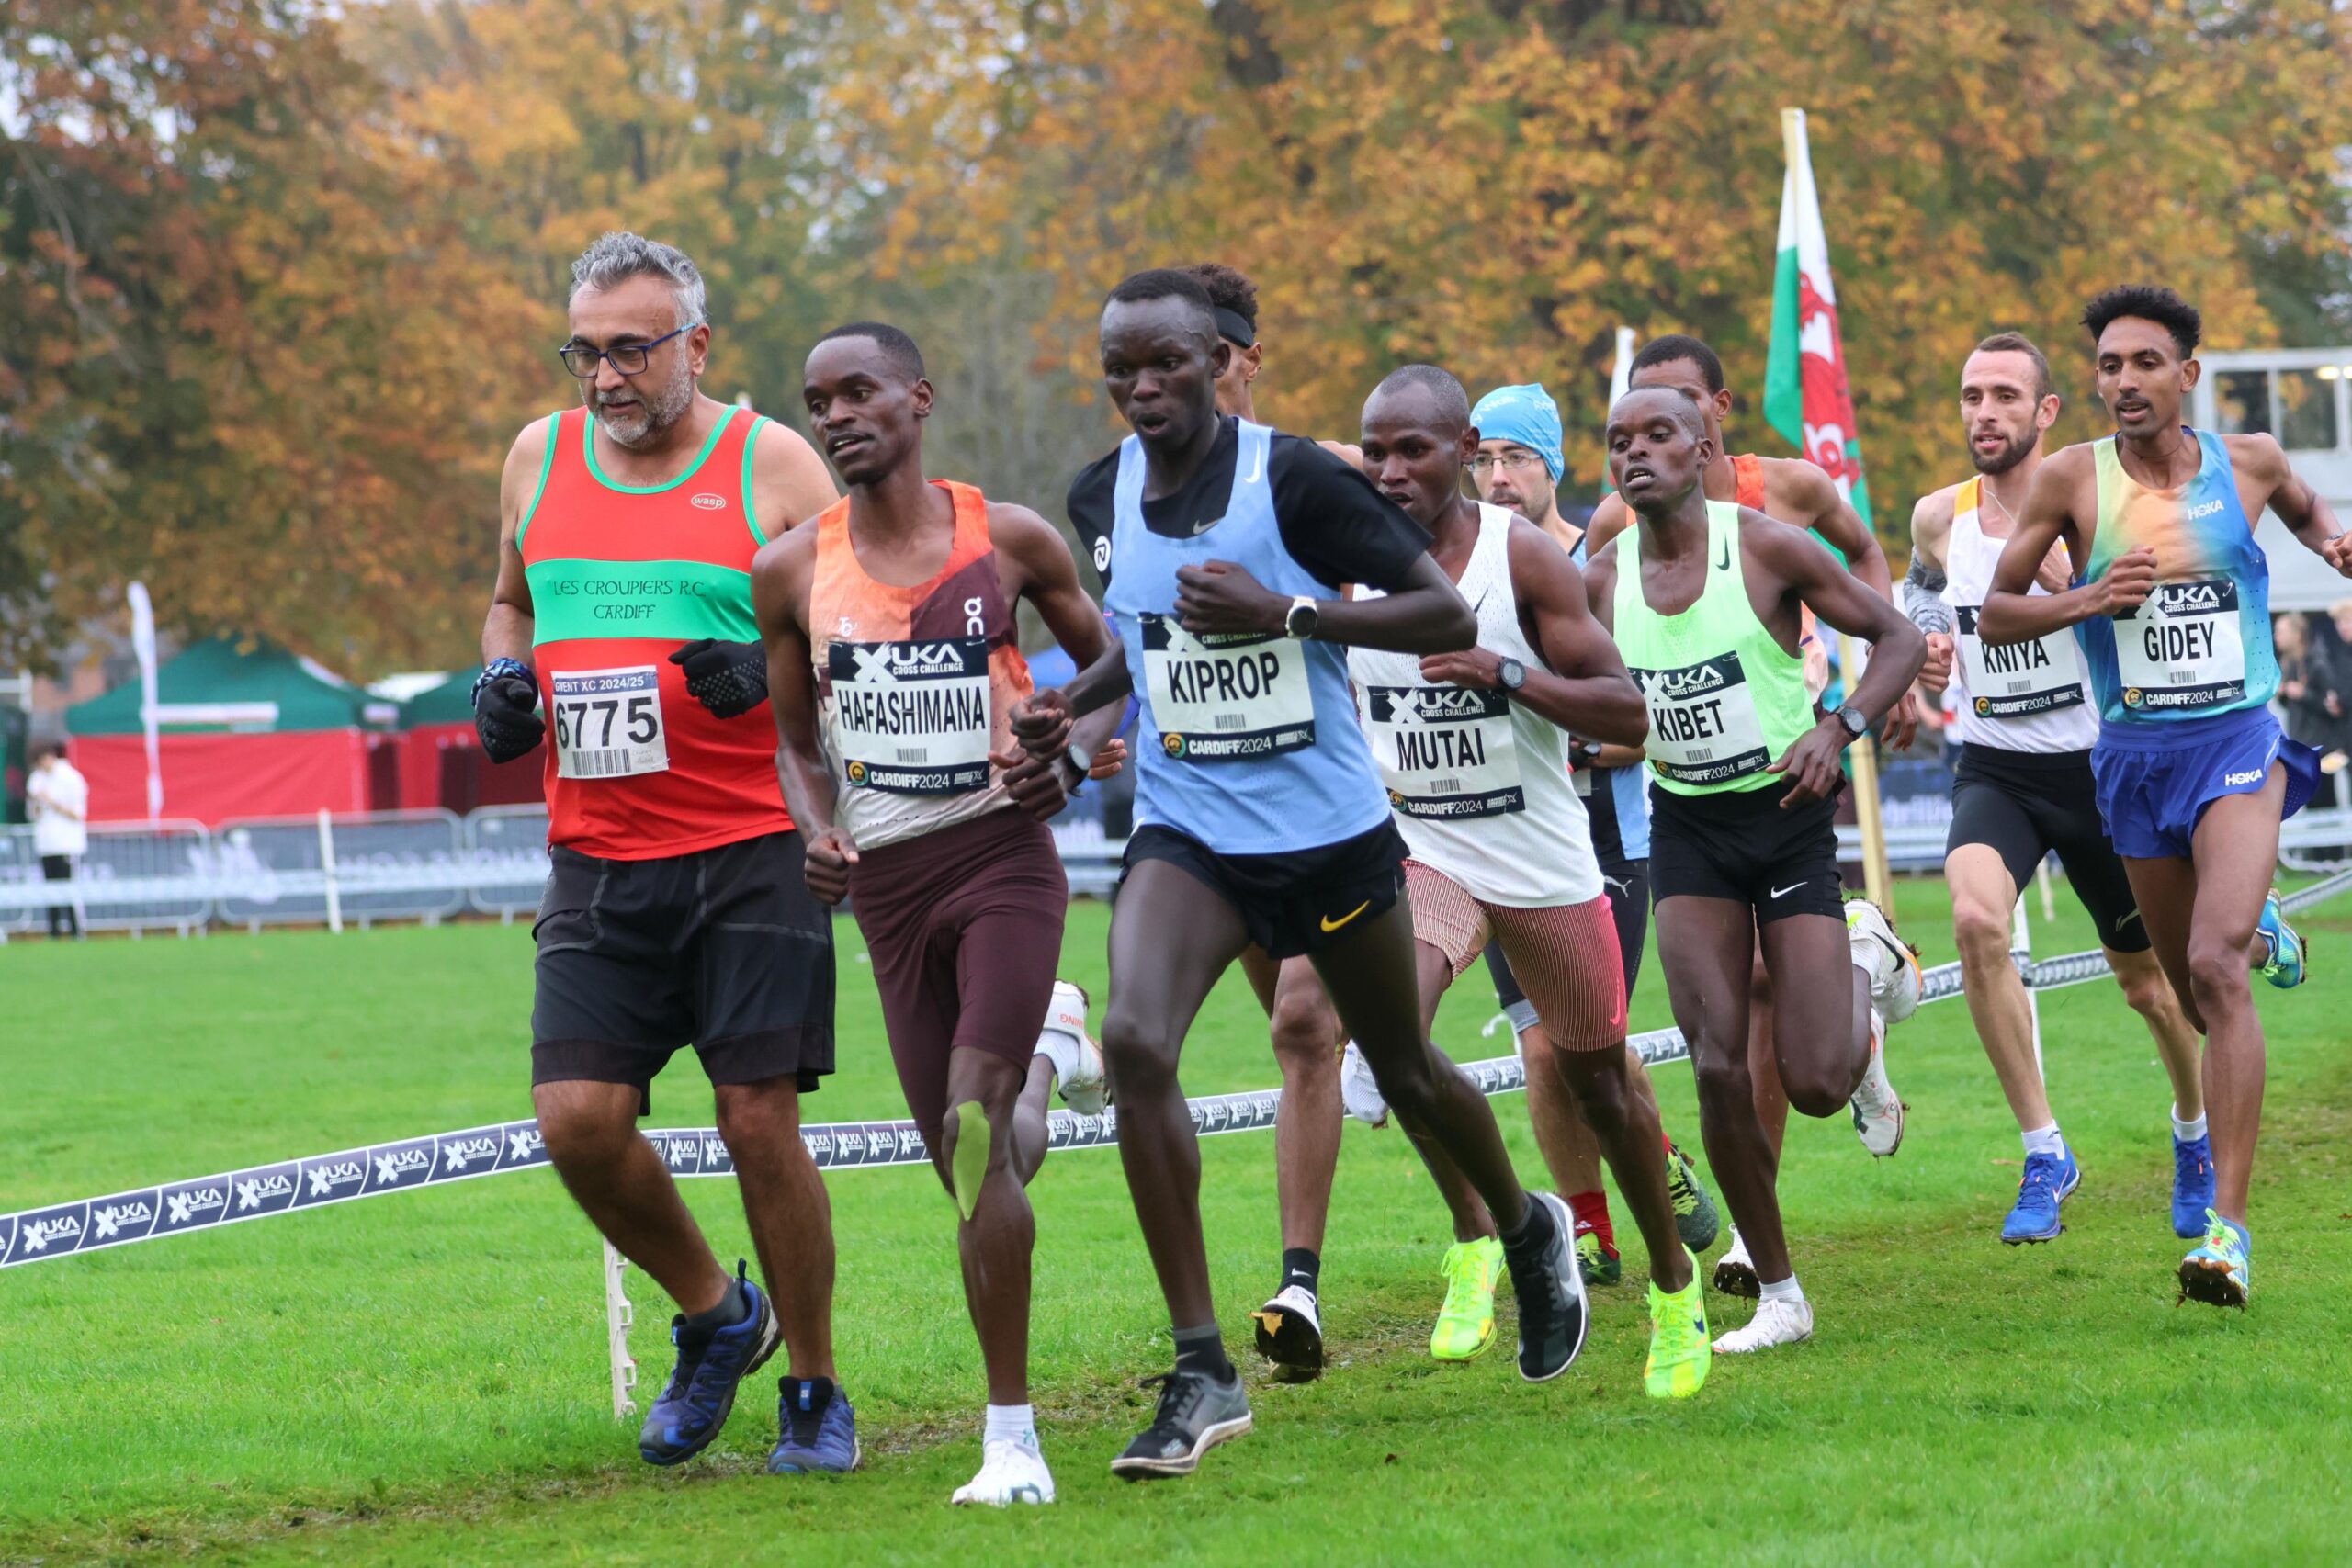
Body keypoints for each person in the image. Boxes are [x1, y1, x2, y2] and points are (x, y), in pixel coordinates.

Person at [1023, 269, 1589, 1479]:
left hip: (1329, 833)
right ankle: (1201, 1366)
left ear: (1219, 362)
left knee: (1406, 1066)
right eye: (1121, 368)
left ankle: (1529, 1225)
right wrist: (1065, 708)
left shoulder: (1297, 480)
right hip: (1190, 828)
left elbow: (1438, 611)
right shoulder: (1100, 492)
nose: (1142, 387)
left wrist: (1285, 614)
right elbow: (1143, 632)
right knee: (1132, 1039)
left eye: (1166, 362)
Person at [473, 231, 854, 1474]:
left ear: (695, 344)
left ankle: (812, 1381)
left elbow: (866, 619)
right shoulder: (540, 453)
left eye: (630, 349)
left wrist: (773, 667)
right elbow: (513, 598)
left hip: (753, 841)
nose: (604, 376)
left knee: (756, 1121)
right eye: (584, 350)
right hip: (596, 848)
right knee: (577, 1117)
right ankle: (715, 1313)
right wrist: (502, 672)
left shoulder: (774, 463)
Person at [755, 322, 1115, 1506]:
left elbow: (1118, 676)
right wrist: (818, 829)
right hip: (889, 891)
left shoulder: (1005, 539)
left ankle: (1009, 1441)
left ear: (918, 397)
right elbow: (796, 744)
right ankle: (1053, 1052)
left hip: (1005, 858)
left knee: (970, 1130)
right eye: (818, 401)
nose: (837, 416)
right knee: (977, 1155)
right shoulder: (791, 569)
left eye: (859, 392)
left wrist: (1075, 752)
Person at [1979, 284, 2346, 1308]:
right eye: (2108, 366)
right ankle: (2260, 923)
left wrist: (2332, 549)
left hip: (2236, 740)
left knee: (2214, 971)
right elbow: (1997, 615)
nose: (2124, 381)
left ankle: (2227, 1235)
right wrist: (2088, 597)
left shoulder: (2252, 462)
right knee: (2189, 992)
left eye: (2146, 363)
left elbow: (2315, 518)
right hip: (2133, 757)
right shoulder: (2069, 480)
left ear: (2188, 373)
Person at [1349, 364, 1711, 1399]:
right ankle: (1502, 1230)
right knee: (1393, 1042)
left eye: (1412, 449)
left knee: (1600, 1084)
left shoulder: (1523, 564)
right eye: (1374, 451)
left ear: (1463, 452)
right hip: (1431, 857)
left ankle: (1672, 1285)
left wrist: (1503, 675)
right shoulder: (1349, 567)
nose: (1389, 470)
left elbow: (1626, 714)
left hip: (1547, 866)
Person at [1584, 385, 1925, 1354]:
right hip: (1687, 829)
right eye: (1618, 442)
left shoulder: (1765, 547)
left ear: (1702, 449)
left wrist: (1839, 726)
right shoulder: (1599, 577)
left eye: (1658, 435)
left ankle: (1867, 960)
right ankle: (1779, 1293)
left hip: (1785, 821)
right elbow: (1557, 669)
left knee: (1815, 1081)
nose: (1636, 453)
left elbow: (1895, 640)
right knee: (1717, 1061)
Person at [1905, 332, 2209, 1246]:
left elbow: (2157, 623)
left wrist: (2069, 585)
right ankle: (2044, 1150)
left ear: (2044, 413)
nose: (1983, 414)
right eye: (1970, 396)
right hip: (1996, 767)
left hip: (2098, 770)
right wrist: (1924, 647)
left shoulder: (2096, 504)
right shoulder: (1937, 515)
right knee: (1973, 923)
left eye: (2004, 396)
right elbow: (1920, 589)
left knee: (2149, 989)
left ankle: (2191, 1133)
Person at [1172, 261, 1348, 1378]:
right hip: (1206, 812)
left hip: (1329, 808)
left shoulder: (1309, 475)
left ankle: (1298, 1286)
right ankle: (1499, 1218)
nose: (1194, 374)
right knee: (1328, 1043)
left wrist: (1287, 611)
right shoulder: (1127, 491)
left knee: (1301, 1025)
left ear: (1244, 358)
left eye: (1212, 351)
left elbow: (1397, 607)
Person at [26, 743, 87, 941]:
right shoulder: (36, 779)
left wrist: (51, 801)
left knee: (68, 889)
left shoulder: (71, 777)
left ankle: (76, 931)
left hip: (67, 843)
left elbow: (78, 814)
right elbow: (32, 814)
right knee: (50, 890)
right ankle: (53, 931)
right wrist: (37, 802)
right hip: (45, 844)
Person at [2270, 611, 2342, 755]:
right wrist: (2282, 695)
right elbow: (2291, 707)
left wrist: (2303, 694)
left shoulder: (2318, 663)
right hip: (2300, 743)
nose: (2276, 637)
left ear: (2297, 635)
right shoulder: (2289, 664)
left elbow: (2334, 707)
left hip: (2322, 748)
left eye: (2281, 632)